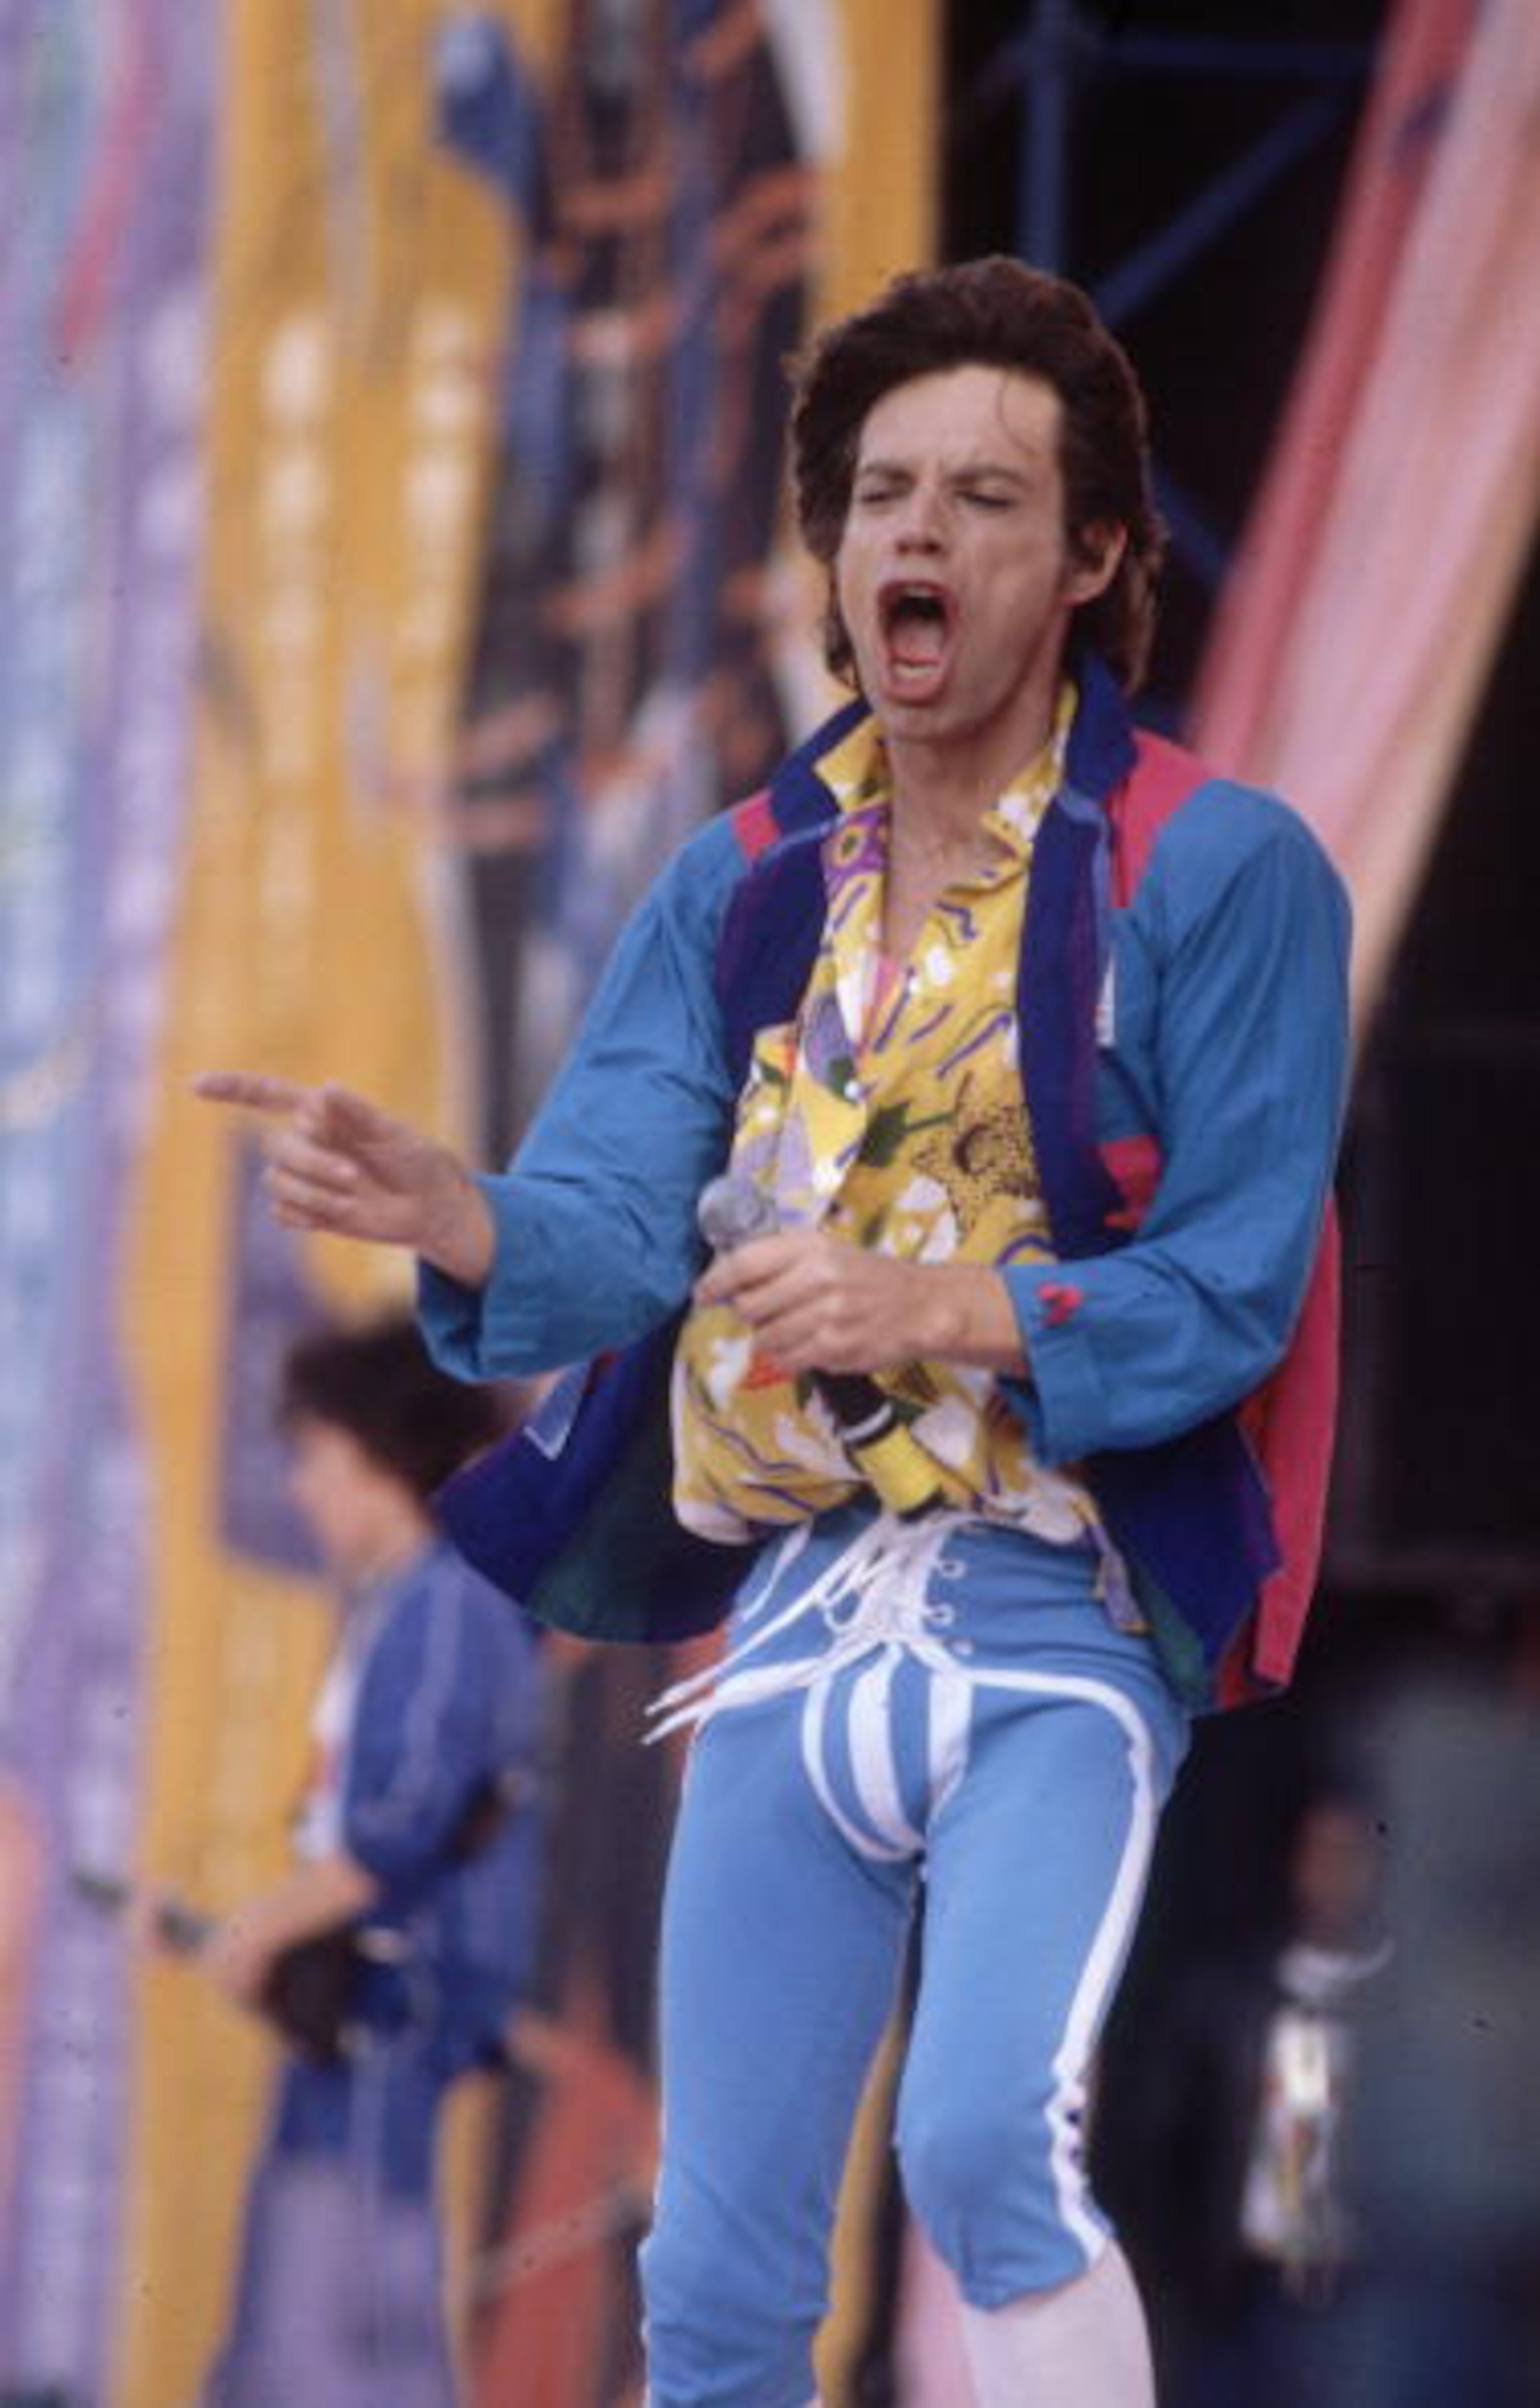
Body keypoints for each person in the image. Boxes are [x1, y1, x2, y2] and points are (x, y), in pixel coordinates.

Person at [199, 256, 1352, 2408]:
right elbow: (615, 1217)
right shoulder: (743, 883)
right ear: (831, 550)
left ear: (1097, 552)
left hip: (1056, 1622)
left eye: (989, 499)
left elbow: (1235, 1285)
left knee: (985, 2135)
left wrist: (934, 1301)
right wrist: (460, 1208)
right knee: (718, 2280)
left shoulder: (1225, 867)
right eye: (883, 493)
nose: (918, 534)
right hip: (802, 1624)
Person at [154, 1314, 545, 2408]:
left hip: (395, 2007)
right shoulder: (401, 1605)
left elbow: (399, 1826)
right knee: (310, 2303)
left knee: (359, 2320)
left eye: (318, 1458)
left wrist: (259, 1928)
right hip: (352, 2008)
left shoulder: (447, 1604)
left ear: (388, 1457)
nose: (300, 1490)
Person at [1105, 1790, 1392, 2406]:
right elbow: (1159, 2142)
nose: (1336, 1874)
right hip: (1237, 2295)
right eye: (1322, 1854)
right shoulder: (1226, 1993)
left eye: (1353, 1856)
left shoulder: (1402, 2005)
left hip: (1361, 2298)